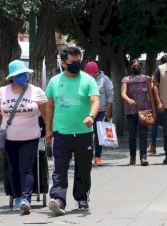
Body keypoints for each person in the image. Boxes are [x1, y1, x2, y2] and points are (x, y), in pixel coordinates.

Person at [46, 47, 100, 216]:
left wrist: (91, 116)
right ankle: (58, 199)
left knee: (83, 168)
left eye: (78, 62)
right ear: (63, 63)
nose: (76, 65)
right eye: (72, 63)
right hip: (61, 132)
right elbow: (49, 106)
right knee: (59, 168)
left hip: (83, 133)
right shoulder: (54, 81)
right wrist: (48, 129)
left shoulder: (88, 80)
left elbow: (95, 100)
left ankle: (82, 196)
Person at [0, 60, 47, 214]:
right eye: (20, 74)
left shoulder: (36, 91)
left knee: (26, 168)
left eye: (25, 74)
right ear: (12, 77)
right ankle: (16, 197)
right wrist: (4, 121)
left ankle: (25, 198)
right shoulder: (2, 92)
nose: (24, 77)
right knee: (13, 168)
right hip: (9, 137)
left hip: (30, 137)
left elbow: (46, 113)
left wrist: (49, 131)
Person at [121, 59, 156, 166]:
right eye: (133, 65)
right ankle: (132, 157)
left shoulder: (146, 79)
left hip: (144, 110)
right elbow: (123, 93)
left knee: (143, 134)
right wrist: (128, 99)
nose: (135, 67)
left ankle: (143, 156)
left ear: (141, 67)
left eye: (137, 66)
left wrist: (154, 110)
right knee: (132, 135)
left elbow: (150, 95)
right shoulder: (126, 80)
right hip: (131, 111)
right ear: (130, 67)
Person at [84, 61, 114, 166]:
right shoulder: (84, 79)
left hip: (101, 111)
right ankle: (86, 156)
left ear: (97, 72)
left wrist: (108, 111)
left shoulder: (105, 79)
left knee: (98, 135)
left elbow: (110, 96)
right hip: (87, 111)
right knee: (86, 134)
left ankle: (97, 156)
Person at [148, 55, 167, 155]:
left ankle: (153, 146)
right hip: (163, 103)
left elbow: (151, 87)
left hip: (157, 103)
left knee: (155, 126)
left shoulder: (156, 72)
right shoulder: (163, 72)